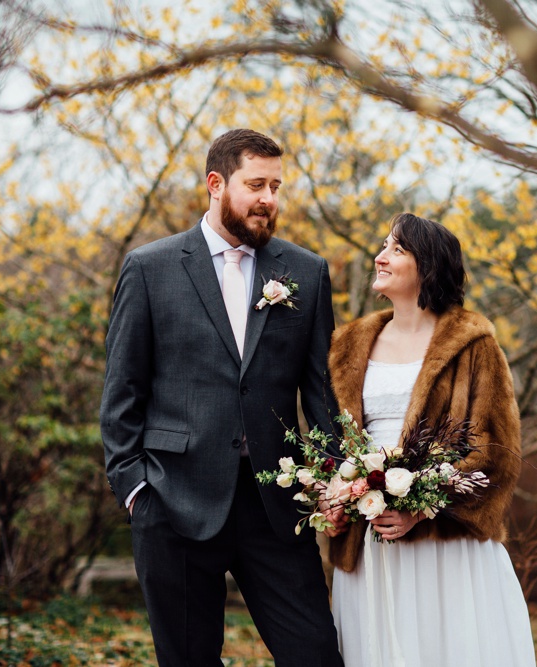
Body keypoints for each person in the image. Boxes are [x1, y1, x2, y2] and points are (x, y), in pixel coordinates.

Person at [100, 128, 343, 666]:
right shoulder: (150, 268)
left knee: (316, 655)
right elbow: (122, 391)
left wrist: (334, 479)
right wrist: (136, 490)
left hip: (277, 508)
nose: (269, 199)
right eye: (256, 184)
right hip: (173, 502)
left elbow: (322, 396)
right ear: (216, 183)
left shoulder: (305, 271)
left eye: (276, 186)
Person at [326, 212, 536, 666]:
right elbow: (335, 441)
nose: (379, 258)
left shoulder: (473, 346)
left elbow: (496, 453)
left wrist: (420, 506)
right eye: (383, 246)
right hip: (369, 546)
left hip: (443, 549)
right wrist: (336, 491)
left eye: (396, 250)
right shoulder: (349, 344)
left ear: (429, 266)